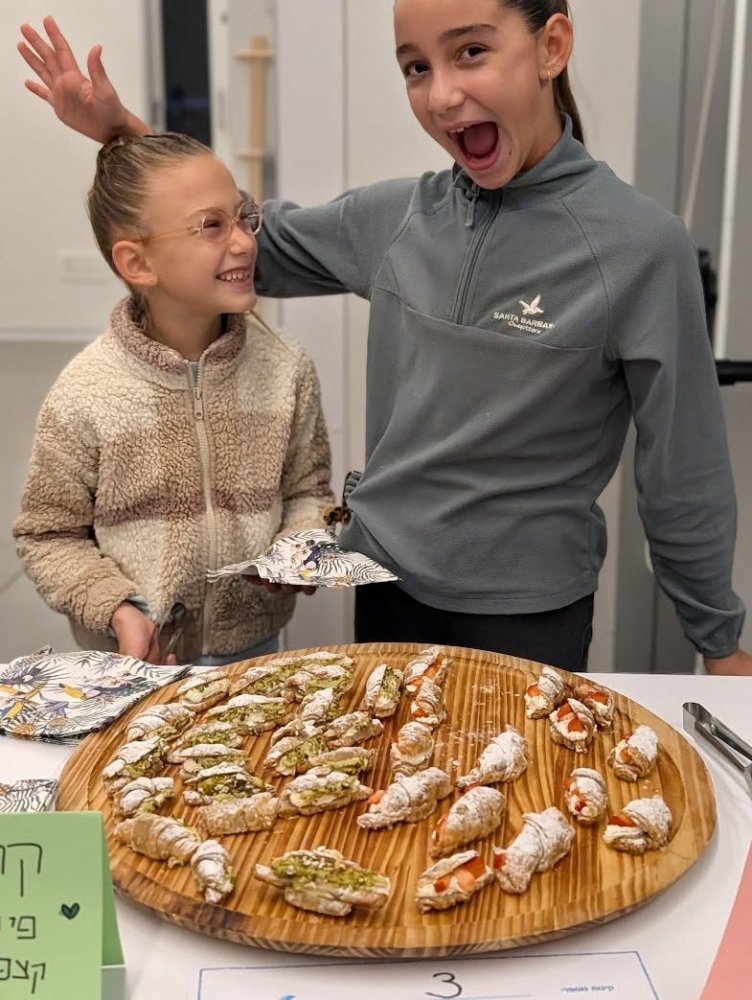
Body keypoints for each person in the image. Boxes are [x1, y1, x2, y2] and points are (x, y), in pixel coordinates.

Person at [16, 2, 752, 676]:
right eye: (416, 67)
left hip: (529, 613)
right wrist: (124, 134)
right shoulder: (398, 219)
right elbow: (228, 245)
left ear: (551, 47)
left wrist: (716, 639)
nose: (441, 95)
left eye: (471, 52)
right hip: (387, 589)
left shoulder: (640, 248)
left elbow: (683, 468)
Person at [12, 130, 333, 665]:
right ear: (138, 263)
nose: (244, 242)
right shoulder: (85, 394)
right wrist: (118, 611)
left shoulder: (287, 369)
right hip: (135, 664)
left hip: (254, 656)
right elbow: (48, 536)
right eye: (212, 225)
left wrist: (302, 543)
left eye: (244, 217)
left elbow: (308, 492)